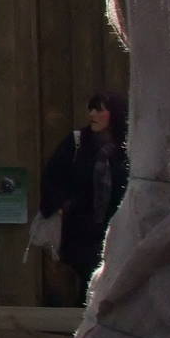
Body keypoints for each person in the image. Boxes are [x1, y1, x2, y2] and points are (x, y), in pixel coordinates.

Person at [40, 91, 130, 301]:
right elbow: (53, 175)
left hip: (118, 225)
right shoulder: (78, 143)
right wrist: (62, 206)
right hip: (82, 226)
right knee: (88, 273)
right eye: (91, 109)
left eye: (99, 109)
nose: (93, 114)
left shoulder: (128, 147)